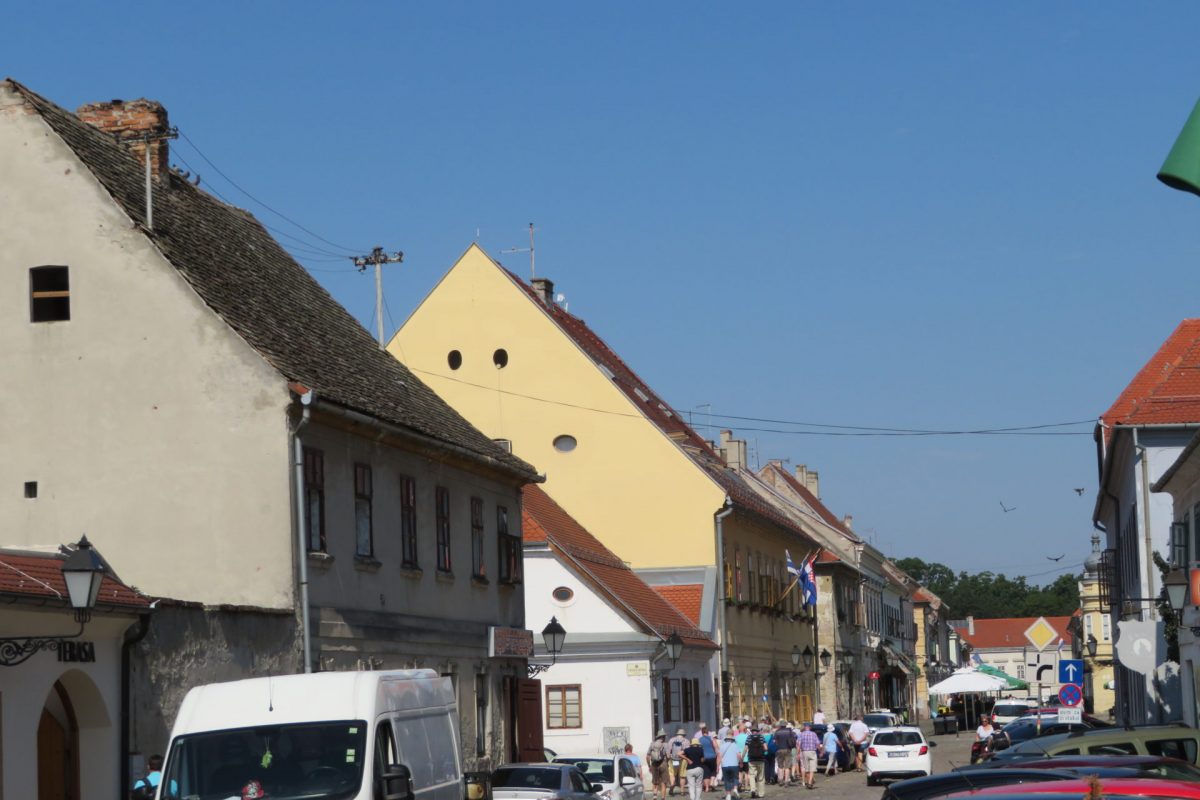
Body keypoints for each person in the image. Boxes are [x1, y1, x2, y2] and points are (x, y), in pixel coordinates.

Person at [743, 723, 768, 798]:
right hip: (760, 759)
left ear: (752, 731)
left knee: (752, 775)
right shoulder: (761, 737)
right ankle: (761, 793)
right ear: (757, 730)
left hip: (751, 759)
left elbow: (745, 748)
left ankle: (753, 789)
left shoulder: (749, 737)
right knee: (761, 777)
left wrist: (742, 757)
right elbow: (766, 748)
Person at [718, 733, 743, 800]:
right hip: (734, 764)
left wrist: (717, 766)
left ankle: (728, 795)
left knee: (727, 780)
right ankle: (735, 788)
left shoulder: (722, 746)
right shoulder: (735, 745)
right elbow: (738, 755)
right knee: (735, 778)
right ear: (732, 740)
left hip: (725, 765)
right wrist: (741, 762)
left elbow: (719, 757)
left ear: (726, 740)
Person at [796, 722, 820, 790]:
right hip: (812, 751)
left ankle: (809, 782)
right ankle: (810, 782)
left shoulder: (801, 734)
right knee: (812, 769)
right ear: (810, 727)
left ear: (804, 727)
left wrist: (797, 754)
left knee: (806, 769)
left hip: (804, 752)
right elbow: (817, 743)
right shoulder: (814, 734)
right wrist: (821, 751)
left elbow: (798, 745)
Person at [648, 730, 671, 800]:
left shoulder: (652, 744)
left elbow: (647, 756)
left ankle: (654, 796)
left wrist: (649, 765)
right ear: (663, 737)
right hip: (663, 764)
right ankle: (663, 798)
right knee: (664, 782)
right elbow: (668, 756)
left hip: (654, 764)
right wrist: (667, 762)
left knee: (655, 782)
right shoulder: (665, 744)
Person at [773, 720, 795, 787]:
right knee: (787, 766)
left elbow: (774, 741)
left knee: (780, 766)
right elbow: (793, 740)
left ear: (780, 725)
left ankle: (780, 780)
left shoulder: (777, 732)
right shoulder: (789, 731)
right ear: (786, 725)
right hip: (788, 749)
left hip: (779, 749)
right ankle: (786, 781)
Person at [668, 727, 690, 796]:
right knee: (682, 776)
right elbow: (687, 752)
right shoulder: (686, 741)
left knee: (672, 774)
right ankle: (682, 791)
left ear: (677, 734)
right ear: (684, 734)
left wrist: (669, 758)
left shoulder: (671, 740)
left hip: (673, 759)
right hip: (683, 760)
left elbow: (668, 751)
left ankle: (672, 785)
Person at [697, 724, 718, 793]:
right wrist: (717, 754)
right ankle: (711, 783)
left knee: (706, 772)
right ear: (707, 732)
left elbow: (699, 749)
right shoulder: (711, 738)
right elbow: (716, 747)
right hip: (712, 757)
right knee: (713, 770)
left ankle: (707, 788)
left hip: (704, 758)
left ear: (702, 732)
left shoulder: (699, 740)